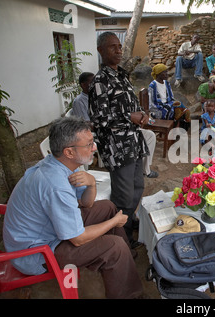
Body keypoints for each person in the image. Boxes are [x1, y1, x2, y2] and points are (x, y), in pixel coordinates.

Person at [3, 117, 143, 299]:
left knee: (108, 207)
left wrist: (92, 184)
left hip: (47, 232)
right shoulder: (55, 184)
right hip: (35, 253)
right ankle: (129, 294)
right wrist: (114, 222)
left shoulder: (62, 164)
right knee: (114, 247)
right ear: (69, 151)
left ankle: (126, 262)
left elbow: (87, 204)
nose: (94, 148)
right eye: (89, 144)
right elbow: (78, 239)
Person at [89, 31, 148, 248]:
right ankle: (121, 240)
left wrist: (141, 113)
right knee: (123, 197)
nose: (118, 50)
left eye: (119, 46)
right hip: (117, 147)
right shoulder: (100, 81)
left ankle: (128, 225)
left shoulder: (122, 75)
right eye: (112, 47)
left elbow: (130, 105)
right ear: (100, 51)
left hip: (133, 142)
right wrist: (129, 117)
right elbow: (98, 118)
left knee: (137, 187)